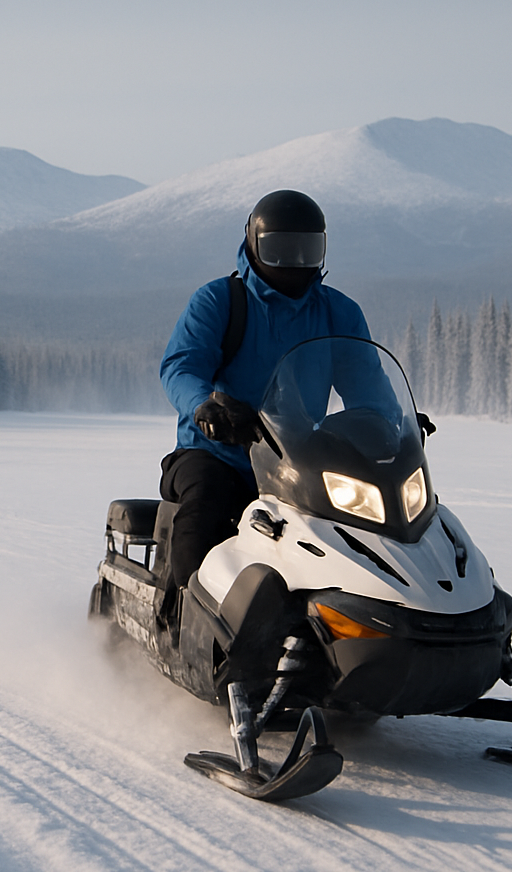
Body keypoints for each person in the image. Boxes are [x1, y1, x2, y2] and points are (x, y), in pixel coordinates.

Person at [157, 189, 378, 628]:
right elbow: (182, 365)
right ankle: (186, 619)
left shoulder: (337, 311)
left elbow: (366, 378)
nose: (294, 261)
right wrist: (204, 405)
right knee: (207, 505)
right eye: (280, 248)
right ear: (254, 245)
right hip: (218, 451)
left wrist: (386, 419)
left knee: (364, 525)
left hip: (299, 460)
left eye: (306, 249)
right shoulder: (220, 301)